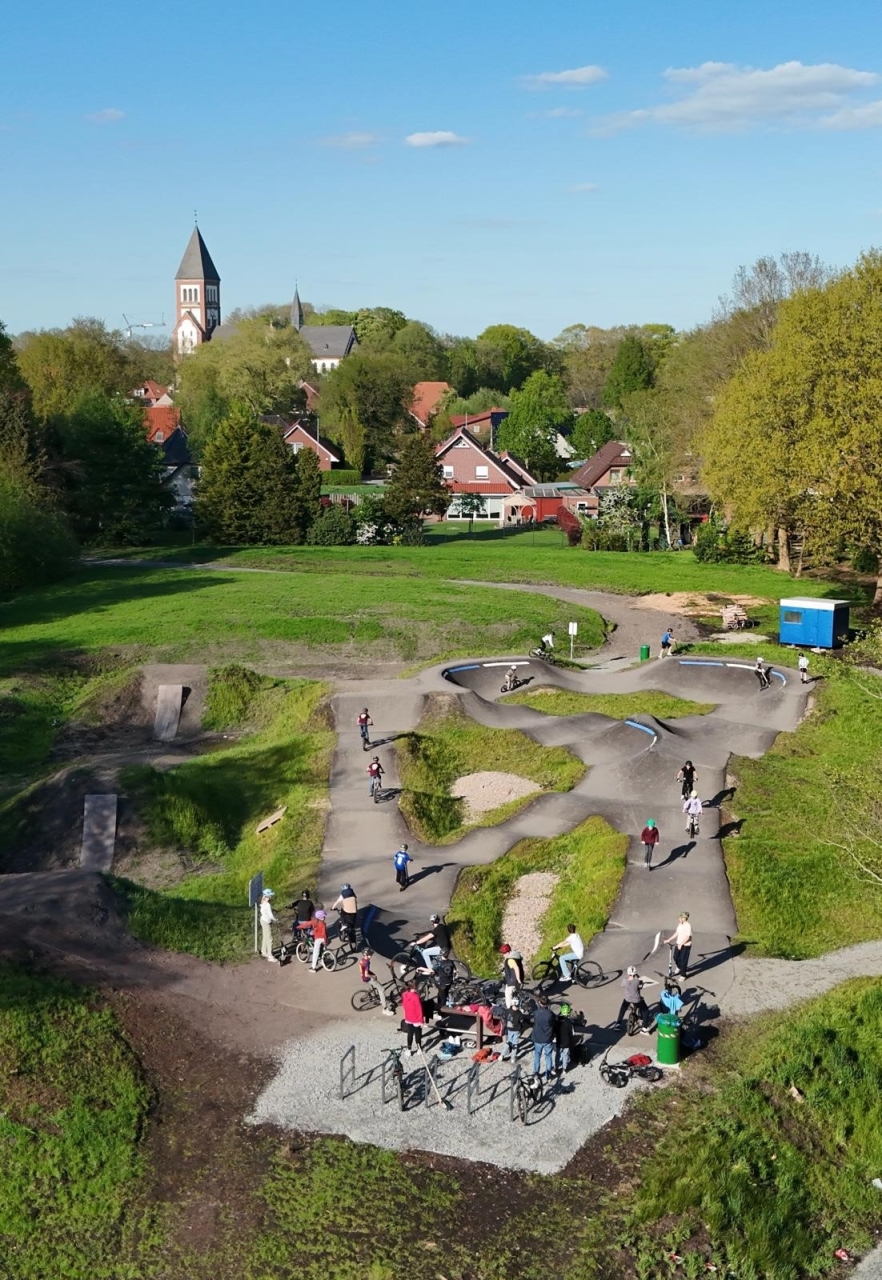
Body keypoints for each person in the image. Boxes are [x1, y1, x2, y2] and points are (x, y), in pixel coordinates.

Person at [615, 966, 653, 1033]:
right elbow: (641, 985)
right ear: (635, 974)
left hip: (627, 999)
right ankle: (644, 1027)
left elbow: (622, 985)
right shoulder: (637, 981)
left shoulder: (624, 981)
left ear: (628, 973)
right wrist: (638, 976)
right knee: (645, 1011)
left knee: (622, 1009)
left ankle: (618, 1024)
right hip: (637, 1000)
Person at [359, 948, 394, 1015]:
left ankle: (380, 997)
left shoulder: (363, 960)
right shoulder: (366, 962)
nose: (371, 955)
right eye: (370, 954)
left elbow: (365, 971)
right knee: (382, 989)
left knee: (378, 985)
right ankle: (385, 1009)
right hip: (367, 978)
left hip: (364, 977)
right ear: (366, 955)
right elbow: (366, 974)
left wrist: (373, 974)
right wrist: (373, 976)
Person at [531, 994, 557, 1081]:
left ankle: (536, 1073)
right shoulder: (550, 1014)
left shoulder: (536, 1013)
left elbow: (532, 1020)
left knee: (537, 1056)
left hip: (537, 1038)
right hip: (547, 1038)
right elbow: (554, 1023)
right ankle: (548, 1074)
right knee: (548, 1056)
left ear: (540, 1003)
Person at [664, 912, 693, 977]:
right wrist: (669, 939)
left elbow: (688, 937)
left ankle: (683, 975)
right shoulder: (680, 924)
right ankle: (679, 967)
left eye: (680, 917)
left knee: (683, 961)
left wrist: (681, 944)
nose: (678, 919)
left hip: (686, 946)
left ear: (684, 918)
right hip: (678, 944)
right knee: (675, 957)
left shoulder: (688, 926)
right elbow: (677, 933)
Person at [400, 981, 425, 1056]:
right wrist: (421, 1020)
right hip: (416, 1019)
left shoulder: (404, 995)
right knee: (418, 1034)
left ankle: (409, 1049)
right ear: (415, 987)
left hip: (408, 1018)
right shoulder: (416, 996)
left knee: (410, 1034)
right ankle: (419, 1049)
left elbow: (404, 1006)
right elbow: (419, 1009)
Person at [500, 996, 527, 1062]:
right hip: (517, 1030)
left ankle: (502, 1055)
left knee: (509, 1042)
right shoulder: (519, 1013)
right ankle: (512, 1057)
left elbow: (505, 1018)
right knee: (515, 1044)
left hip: (509, 1029)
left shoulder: (507, 1011)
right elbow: (521, 1021)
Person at [500, 943, 525, 1008]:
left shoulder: (510, 960)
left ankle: (509, 1009)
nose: (503, 955)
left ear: (508, 952)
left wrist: (518, 980)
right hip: (519, 977)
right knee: (513, 993)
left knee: (507, 994)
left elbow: (516, 968)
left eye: (504, 953)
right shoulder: (515, 956)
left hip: (513, 981)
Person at [555, 1003, 577, 1074]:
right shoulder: (569, 1022)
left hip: (559, 1041)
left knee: (558, 1055)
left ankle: (556, 1067)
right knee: (565, 1055)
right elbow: (572, 1033)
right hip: (566, 1042)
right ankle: (564, 1069)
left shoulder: (557, 1021)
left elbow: (554, 1031)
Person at [259, 888, 278, 962]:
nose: (271, 897)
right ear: (268, 896)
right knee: (269, 939)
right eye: (270, 896)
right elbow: (270, 915)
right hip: (266, 922)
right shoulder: (267, 905)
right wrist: (275, 919)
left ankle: (264, 951)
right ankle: (270, 956)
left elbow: (267, 912)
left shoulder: (263, 902)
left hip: (262, 920)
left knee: (265, 936)